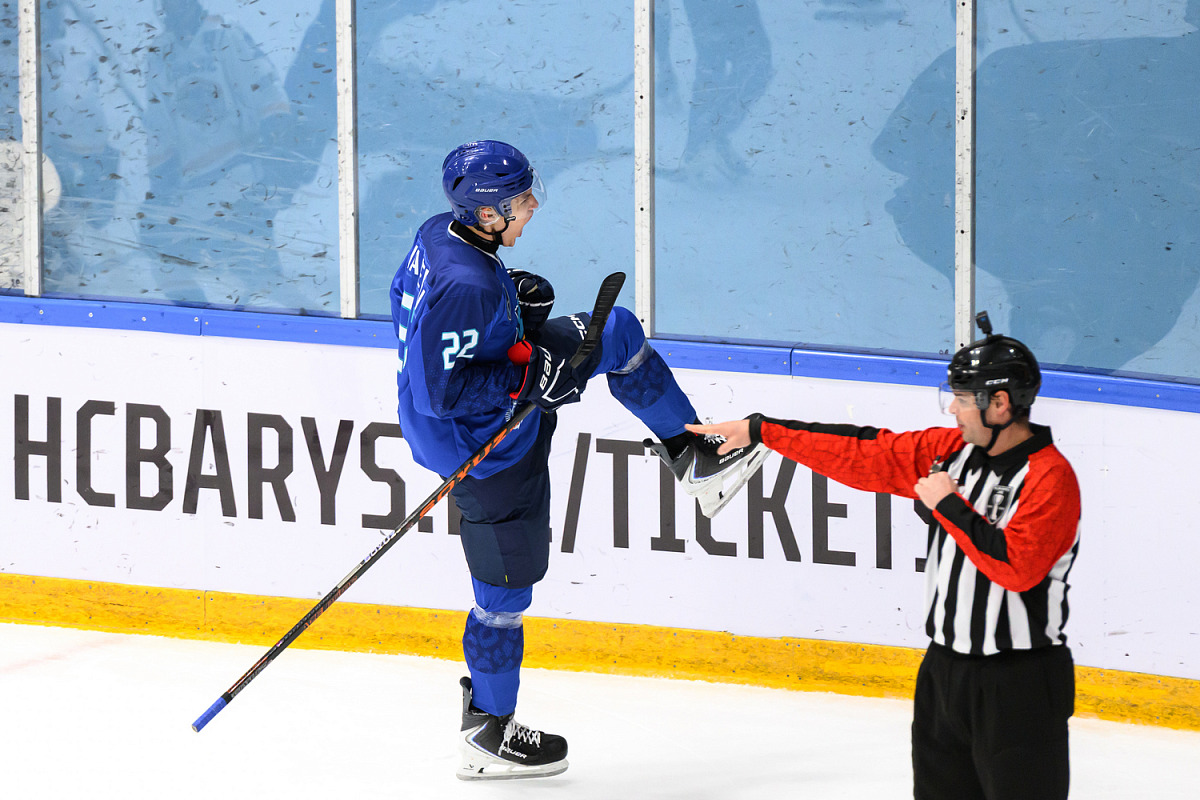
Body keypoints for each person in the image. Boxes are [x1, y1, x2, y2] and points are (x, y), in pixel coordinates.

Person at [390, 139, 769, 780]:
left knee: (615, 332)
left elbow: (435, 329)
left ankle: (694, 457)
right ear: (487, 213)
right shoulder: (466, 284)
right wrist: (529, 380)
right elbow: (441, 393)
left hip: (481, 405)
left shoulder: (442, 236)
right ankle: (488, 734)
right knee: (502, 594)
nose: (533, 206)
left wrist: (512, 307)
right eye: (520, 200)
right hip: (482, 445)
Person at [689, 313, 1081, 800]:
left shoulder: (1050, 477)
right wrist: (763, 431)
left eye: (963, 400)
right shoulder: (948, 451)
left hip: (1020, 686)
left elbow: (1018, 568)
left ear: (1000, 404)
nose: (954, 410)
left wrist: (949, 507)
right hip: (943, 675)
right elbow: (864, 453)